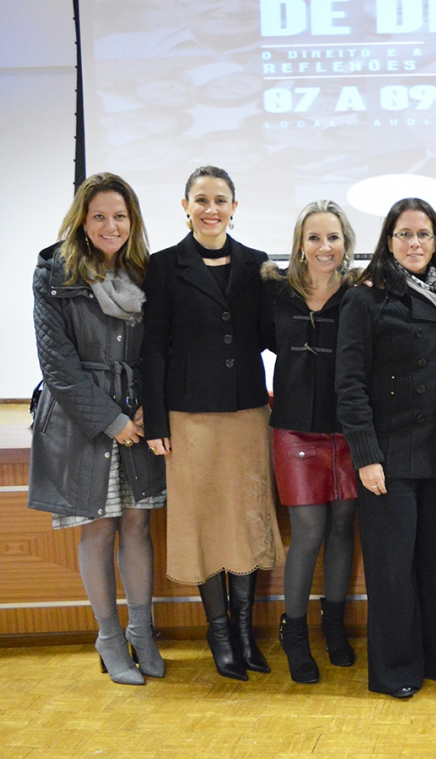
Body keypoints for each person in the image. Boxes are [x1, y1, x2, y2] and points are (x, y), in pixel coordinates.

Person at [142, 165, 284, 682]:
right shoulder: (163, 266)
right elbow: (153, 349)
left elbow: (272, 336)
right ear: (185, 206)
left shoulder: (257, 265)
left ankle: (244, 633)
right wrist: (156, 420)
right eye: (201, 200)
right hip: (188, 417)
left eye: (220, 200)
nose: (211, 209)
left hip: (247, 413)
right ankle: (219, 633)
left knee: (245, 519)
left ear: (234, 207)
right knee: (204, 521)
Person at [28, 172, 166, 685]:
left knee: (137, 525)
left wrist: (150, 405)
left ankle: (142, 633)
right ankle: (108, 637)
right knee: (99, 527)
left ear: (133, 221)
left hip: (138, 417)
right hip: (83, 424)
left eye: (121, 216)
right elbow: (57, 365)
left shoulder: (145, 272)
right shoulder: (54, 275)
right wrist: (111, 421)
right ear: (83, 222)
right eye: (100, 216)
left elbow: (161, 348)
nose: (112, 226)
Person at [334, 198, 436, 699]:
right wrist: (366, 456)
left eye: (424, 234)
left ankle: (433, 658)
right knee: (391, 573)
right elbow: (349, 385)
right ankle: (394, 671)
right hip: (388, 459)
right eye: (404, 234)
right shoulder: (365, 298)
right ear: (388, 241)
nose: (414, 243)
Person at [261, 200, 360, 684]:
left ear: (346, 243)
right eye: (315, 238)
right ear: (300, 243)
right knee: (308, 530)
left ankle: (334, 625)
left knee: (343, 527)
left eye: (333, 238)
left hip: (349, 429)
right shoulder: (276, 293)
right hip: (294, 428)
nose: (325, 247)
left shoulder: (359, 294)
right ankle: (294, 632)